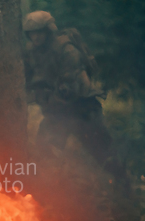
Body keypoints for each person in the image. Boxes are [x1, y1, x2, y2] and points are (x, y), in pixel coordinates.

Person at [23, 11, 125, 185]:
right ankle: (48, 194)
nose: (36, 36)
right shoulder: (32, 53)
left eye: (39, 31)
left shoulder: (65, 49)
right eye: (32, 32)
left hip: (82, 110)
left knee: (104, 154)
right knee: (43, 153)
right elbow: (28, 80)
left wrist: (41, 97)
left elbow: (72, 88)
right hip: (58, 114)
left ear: (48, 31)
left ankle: (124, 188)